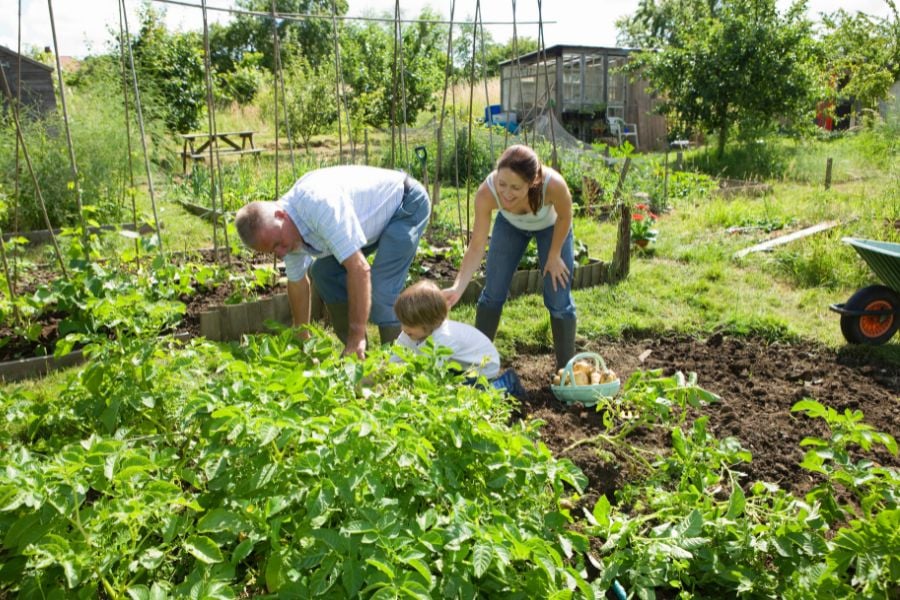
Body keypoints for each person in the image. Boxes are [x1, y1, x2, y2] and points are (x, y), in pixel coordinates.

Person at [234, 165, 430, 359]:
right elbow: (298, 283)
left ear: (281, 215)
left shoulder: (319, 205)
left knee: (381, 290)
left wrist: (358, 333)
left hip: (405, 205)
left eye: (279, 244)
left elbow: (359, 270)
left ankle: (399, 363)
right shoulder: (284, 233)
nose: (282, 253)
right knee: (324, 273)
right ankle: (358, 358)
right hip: (370, 222)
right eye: (272, 251)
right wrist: (302, 339)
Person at [442, 144, 577, 369]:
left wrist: (554, 255)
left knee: (558, 296)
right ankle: (478, 364)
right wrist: (457, 287)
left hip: (551, 226)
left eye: (515, 187)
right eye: (502, 184)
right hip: (511, 226)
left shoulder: (553, 185)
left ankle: (567, 372)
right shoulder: (487, 192)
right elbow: (476, 246)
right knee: (493, 292)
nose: (505, 193)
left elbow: (565, 216)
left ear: (532, 182)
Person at [392, 280, 525, 397]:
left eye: (409, 324)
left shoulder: (444, 338)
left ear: (428, 324)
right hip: (459, 363)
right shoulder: (411, 332)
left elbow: (429, 376)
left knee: (470, 397)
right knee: (449, 384)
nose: (403, 328)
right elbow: (396, 357)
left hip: (482, 366)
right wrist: (387, 373)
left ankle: (506, 383)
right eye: (402, 322)